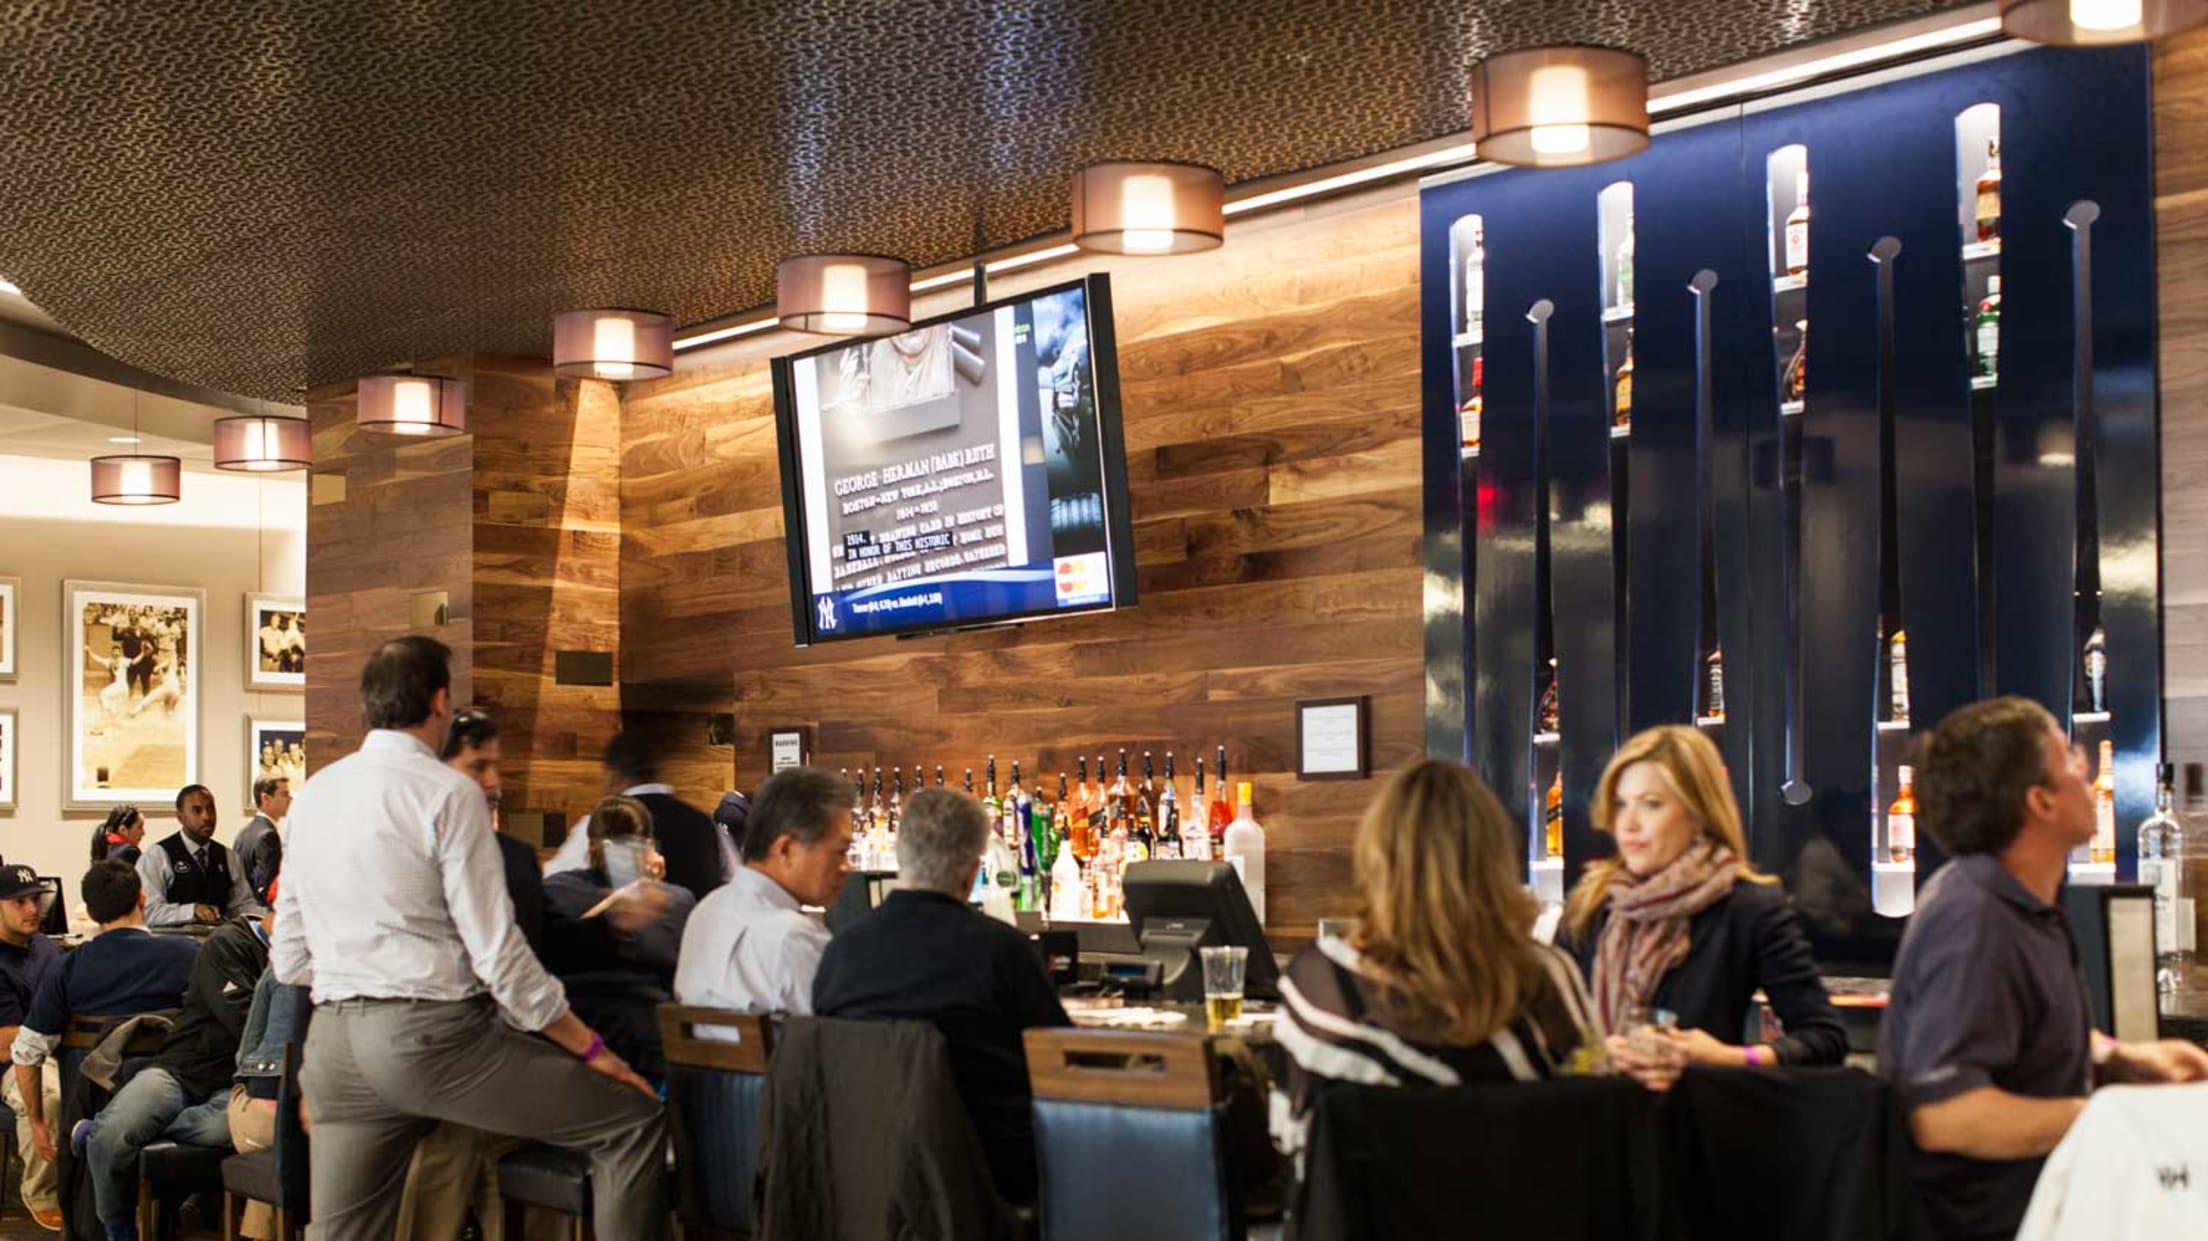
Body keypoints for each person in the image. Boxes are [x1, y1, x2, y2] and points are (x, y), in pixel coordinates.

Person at [272, 635, 663, 1241]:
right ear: (438, 701)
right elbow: (500, 960)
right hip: (428, 1040)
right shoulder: (446, 794)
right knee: (632, 1122)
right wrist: (593, 1052)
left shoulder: (315, 793)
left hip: (335, 1048)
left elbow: (290, 956)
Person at [1881, 697, 2208, 1241]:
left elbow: (2022, 1036)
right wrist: (2112, 1119)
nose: (2088, 772)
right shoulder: (1974, 918)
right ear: (2041, 803)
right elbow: (1945, 1114)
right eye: (2070, 760)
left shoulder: (2029, 904)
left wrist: (2122, 1058)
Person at [1275, 760, 1601, 1153]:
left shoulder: (1317, 984)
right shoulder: (1548, 976)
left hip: (1369, 1213)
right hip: (1523, 1208)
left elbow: (1293, 1138)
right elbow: (1588, 1123)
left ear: (1377, 858)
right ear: (1497, 859)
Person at [814, 786, 1070, 1204]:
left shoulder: (839, 952)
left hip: (865, 1175)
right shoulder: (1003, 952)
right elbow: (1060, 1062)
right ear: (973, 870)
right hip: (989, 1180)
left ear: (901, 857)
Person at [1558, 725, 1846, 1085]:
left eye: (1651, 804)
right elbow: (1550, 1034)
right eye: (1620, 804)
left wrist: (1727, 1058)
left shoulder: (1749, 907)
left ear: (1698, 812)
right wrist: (1597, 1054)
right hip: (1595, 1121)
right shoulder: (1592, 902)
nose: (1628, 824)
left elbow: (1824, 1039)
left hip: (1702, 1122)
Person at [72, 903, 268, 1241]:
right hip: (181, 1068)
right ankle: (118, 1227)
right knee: (115, 1132)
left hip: (233, 1082)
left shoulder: (303, 956)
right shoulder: (227, 943)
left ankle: (99, 1129)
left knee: (232, 1129)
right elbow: (245, 1019)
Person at [11, 863, 199, 1183]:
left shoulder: (68, 967)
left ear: (93, 913)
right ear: (142, 898)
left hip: (88, 1108)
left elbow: (27, 1051)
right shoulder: (188, 954)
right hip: (176, 1111)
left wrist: (39, 1123)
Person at [675, 767, 853, 1018]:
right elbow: (842, 1036)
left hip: (695, 1058)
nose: (848, 867)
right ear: (786, 849)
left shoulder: (704, 913)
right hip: (786, 1059)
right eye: (840, 851)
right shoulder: (794, 938)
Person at [543, 796, 697, 1083]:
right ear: (649, 845)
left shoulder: (554, 889)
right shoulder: (674, 900)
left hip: (570, 1045)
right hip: (651, 1047)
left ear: (590, 845)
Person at [546, 732, 726, 901]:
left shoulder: (603, 823)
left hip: (628, 932)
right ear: (656, 771)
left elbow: (553, 884)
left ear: (613, 776)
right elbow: (730, 882)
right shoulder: (705, 824)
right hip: (697, 931)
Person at [227, 878, 308, 1241]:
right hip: (311, 1118)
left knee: (212, 1114)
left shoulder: (281, 968)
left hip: (265, 1117)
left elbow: (244, 1053)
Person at [442, 708, 542, 953]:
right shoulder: (417, 859)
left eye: (495, 766)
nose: (492, 781)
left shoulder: (520, 858)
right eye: (478, 767)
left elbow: (549, 942)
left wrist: (616, 923)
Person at [0, 865, 66, 1229]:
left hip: (53, 1050)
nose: (31, 909)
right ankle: (41, 1191)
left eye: (36, 900)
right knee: (49, 1093)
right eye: (19, 902)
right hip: (10, 1065)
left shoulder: (45, 947)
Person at [138, 785, 262, 928]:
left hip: (220, 944)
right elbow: (148, 912)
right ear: (180, 817)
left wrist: (268, 914)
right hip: (173, 943)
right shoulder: (157, 856)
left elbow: (241, 906)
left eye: (210, 809)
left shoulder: (229, 857)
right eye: (197, 811)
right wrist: (191, 911)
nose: (206, 817)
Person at [232, 778, 288, 908]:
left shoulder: (244, 832)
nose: (290, 799)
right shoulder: (267, 836)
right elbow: (268, 888)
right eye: (284, 794)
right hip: (260, 914)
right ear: (266, 798)